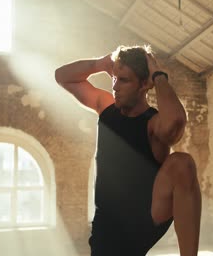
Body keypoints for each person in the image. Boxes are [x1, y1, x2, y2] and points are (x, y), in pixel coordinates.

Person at [55, 45, 201, 256]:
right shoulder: (105, 107)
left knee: (182, 163)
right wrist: (98, 64)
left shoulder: (153, 123)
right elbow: (62, 76)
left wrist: (158, 76)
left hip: (146, 217)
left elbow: (176, 121)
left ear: (144, 84)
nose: (115, 86)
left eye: (123, 80)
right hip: (109, 229)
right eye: (115, 78)